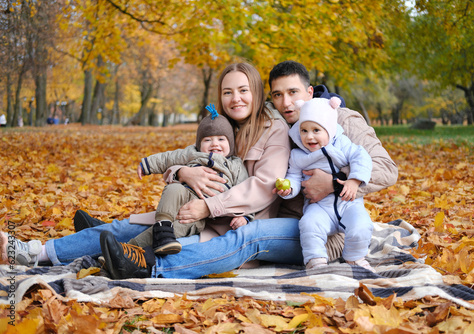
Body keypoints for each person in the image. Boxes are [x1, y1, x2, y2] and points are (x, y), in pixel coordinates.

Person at [2, 60, 397, 279]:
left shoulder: (338, 121)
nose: (285, 100)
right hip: (236, 214)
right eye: (278, 94)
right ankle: (34, 250)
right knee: (137, 225)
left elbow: (384, 169)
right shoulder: (241, 127)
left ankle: (148, 266)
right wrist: (181, 174)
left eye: (293, 92)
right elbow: (200, 158)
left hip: (318, 228)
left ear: (310, 94)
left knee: (245, 237)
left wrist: (336, 183)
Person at [1, 62, 291, 270]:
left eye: (243, 90)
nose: (235, 98)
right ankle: (31, 251)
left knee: (150, 244)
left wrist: (209, 206)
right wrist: (182, 172)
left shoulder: (272, 129)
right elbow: (186, 157)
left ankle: (103, 261)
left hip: (228, 225)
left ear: (256, 91)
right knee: (126, 226)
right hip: (190, 210)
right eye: (228, 92)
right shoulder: (222, 126)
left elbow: (265, 187)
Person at [129, 107, 253, 255]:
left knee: (180, 226)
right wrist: (147, 164)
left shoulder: (236, 165)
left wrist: (244, 216)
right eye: (208, 140)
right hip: (183, 195)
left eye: (221, 139)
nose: (215, 144)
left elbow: (244, 191)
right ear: (199, 144)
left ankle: (129, 248)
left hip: (202, 214)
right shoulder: (192, 153)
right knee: (173, 189)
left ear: (230, 143)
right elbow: (169, 158)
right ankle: (163, 223)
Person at [274, 97, 373, 271]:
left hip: (348, 202)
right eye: (304, 130)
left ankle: (354, 258)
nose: (309, 136)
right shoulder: (298, 155)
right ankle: (316, 261)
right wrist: (289, 188)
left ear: (329, 129)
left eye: (316, 130)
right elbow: (295, 176)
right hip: (319, 206)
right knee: (308, 225)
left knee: (361, 225)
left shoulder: (342, 144)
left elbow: (361, 156)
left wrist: (354, 180)